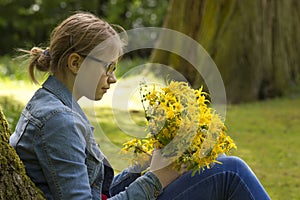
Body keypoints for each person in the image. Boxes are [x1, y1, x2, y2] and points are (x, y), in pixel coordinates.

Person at [10, 12, 270, 200]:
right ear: (76, 63)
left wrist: (151, 161)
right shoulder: (58, 121)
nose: (112, 78)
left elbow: (97, 188)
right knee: (232, 172)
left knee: (212, 160)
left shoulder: (51, 104)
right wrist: (159, 176)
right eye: (108, 67)